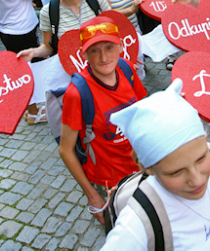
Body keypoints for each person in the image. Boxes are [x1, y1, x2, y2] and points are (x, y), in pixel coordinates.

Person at [103, 79, 210, 250]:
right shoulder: (138, 225)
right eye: (176, 172)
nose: (197, 179)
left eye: (201, 159)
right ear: (149, 169)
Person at [58, 16, 148, 224]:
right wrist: (92, 195)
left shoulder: (126, 69)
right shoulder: (77, 93)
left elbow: (144, 109)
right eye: (94, 50)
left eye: (109, 47)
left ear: (120, 46)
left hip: (141, 167)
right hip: (109, 182)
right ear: (85, 54)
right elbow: (65, 149)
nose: (103, 57)